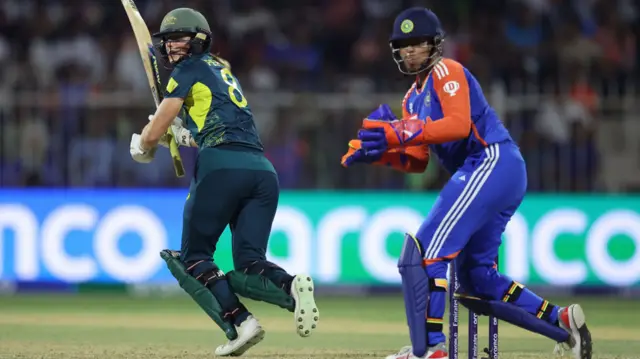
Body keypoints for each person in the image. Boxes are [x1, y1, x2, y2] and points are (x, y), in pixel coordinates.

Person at [341, 7, 592, 359]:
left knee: (425, 251)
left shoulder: (448, 71)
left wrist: (398, 131)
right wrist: (380, 152)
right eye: (403, 45)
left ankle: (430, 349)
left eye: (418, 43)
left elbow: (458, 124)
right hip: (489, 172)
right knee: (476, 282)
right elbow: (419, 160)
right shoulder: (411, 99)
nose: (410, 51)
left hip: (491, 161)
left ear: (434, 45)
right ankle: (563, 324)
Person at [129, 8, 319, 357]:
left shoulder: (187, 69)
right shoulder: (219, 69)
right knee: (249, 261)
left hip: (221, 168)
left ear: (199, 39)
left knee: (192, 258)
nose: (171, 46)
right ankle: (291, 285)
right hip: (262, 171)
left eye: (179, 39)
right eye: (168, 41)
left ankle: (242, 324)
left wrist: (143, 144)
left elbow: (155, 132)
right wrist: (185, 135)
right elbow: (219, 123)